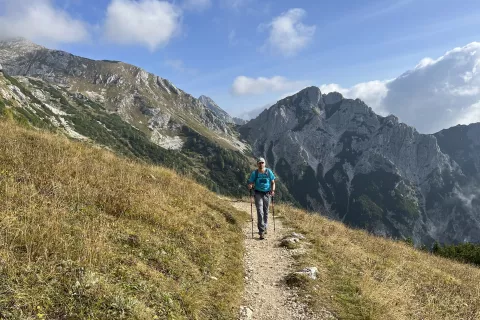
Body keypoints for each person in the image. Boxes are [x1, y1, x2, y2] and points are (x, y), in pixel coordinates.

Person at [247, 157, 276, 240]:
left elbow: (273, 182)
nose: (261, 164)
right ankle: (261, 231)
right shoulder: (255, 173)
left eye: (262, 162)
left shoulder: (268, 172)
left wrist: (273, 190)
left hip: (267, 193)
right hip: (258, 193)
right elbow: (251, 182)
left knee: (266, 211)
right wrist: (250, 185)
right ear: (257, 164)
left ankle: (265, 225)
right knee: (260, 211)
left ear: (264, 164)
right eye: (259, 163)